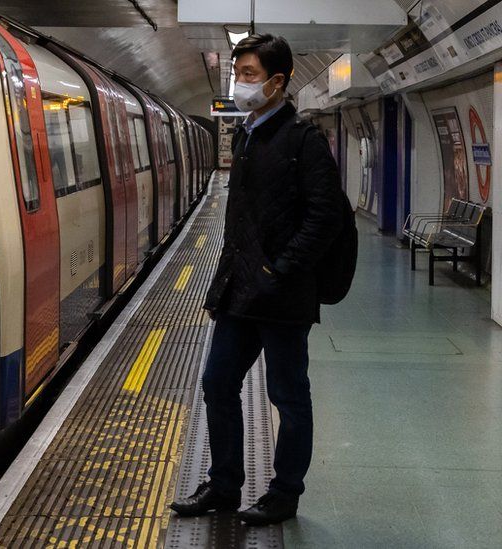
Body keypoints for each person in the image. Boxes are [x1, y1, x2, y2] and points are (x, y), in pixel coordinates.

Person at [169, 34, 347, 526]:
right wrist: (223, 285)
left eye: (249, 74)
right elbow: (241, 223)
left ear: (277, 81)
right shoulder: (246, 135)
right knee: (217, 383)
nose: (240, 82)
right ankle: (224, 485)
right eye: (237, 72)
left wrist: (278, 270)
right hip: (240, 294)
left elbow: (325, 217)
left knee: (288, 395)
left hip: (283, 297)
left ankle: (285, 493)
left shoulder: (303, 140)